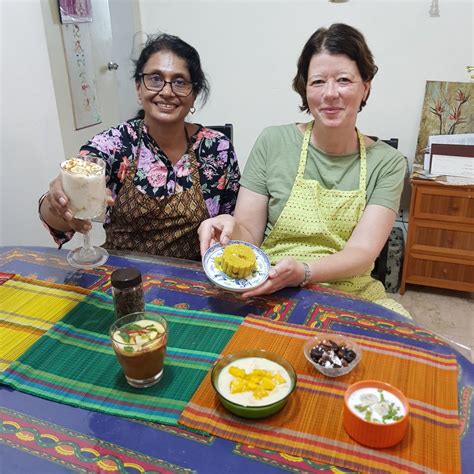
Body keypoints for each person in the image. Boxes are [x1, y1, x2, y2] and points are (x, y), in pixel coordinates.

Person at [199, 23, 410, 317]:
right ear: (304, 88)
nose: (331, 93)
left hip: (352, 293)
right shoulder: (273, 142)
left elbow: (362, 254)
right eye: (318, 82)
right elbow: (249, 233)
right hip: (273, 285)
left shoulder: (387, 162)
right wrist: (229, 227)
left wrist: (305, 271)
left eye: (344, 80)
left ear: (366, 85)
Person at [39, 33, 240, 260]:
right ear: (138, 88)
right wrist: (56, 202)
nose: (166, 91)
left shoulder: (217, 149)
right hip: (122, 281)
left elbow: (234, 225)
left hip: (192, 281)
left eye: (180, 82)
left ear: (193, 96)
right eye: (155, 79)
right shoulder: (114, 144)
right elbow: (56, 219)